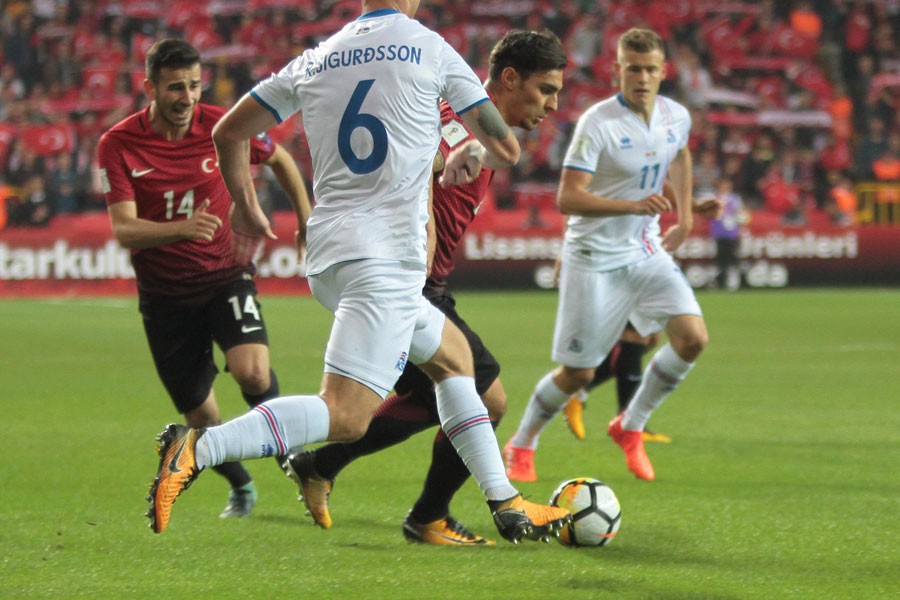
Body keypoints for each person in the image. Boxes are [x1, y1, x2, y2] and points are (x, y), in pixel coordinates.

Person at [146, 1, 571, 544]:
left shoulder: (317, 57)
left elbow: (228, 132)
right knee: (346, 414)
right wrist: (470, 148)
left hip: (331, 255)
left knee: (454, 360)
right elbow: (505, 147)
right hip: (386, 259)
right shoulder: (429, 47)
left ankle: (505, 503)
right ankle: (200, 447)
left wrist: (246, 205)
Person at [281, 30, 567, 546]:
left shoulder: (468, 127)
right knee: (484, 396)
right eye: (545, 89)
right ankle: (426, 514)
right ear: (508, 79)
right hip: (405, 279)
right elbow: (405, 172)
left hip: (418, 281)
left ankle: (321, 465)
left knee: (431, 394)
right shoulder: (450, 123)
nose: (551, 104)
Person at [97, 39, 311, 520]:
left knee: (254, 371)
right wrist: (183, 228)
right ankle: (242, 486)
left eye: (194, 85)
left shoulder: (223, 125)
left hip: (224, 278)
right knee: (202, 419)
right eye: (176, 87)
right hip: (166, 299)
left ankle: (295, 459)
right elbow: (124, 229)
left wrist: (304, 218)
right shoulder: (119, 144)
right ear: (149, 87)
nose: (188, 97)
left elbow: (280, 160)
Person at [503, 27, 709, 482]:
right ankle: (521, 443)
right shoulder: (598, 123)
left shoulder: (676, 116)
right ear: (617, 69)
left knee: (692, 339)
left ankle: (629, 426)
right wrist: (633, 204)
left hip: (644, 248)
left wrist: (687, 212)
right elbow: (568, 198)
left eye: (650, 69)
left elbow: (679, 156)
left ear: (663, 72)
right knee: (577, 373)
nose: (642, 77)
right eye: (632, 68)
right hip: (593, 256)